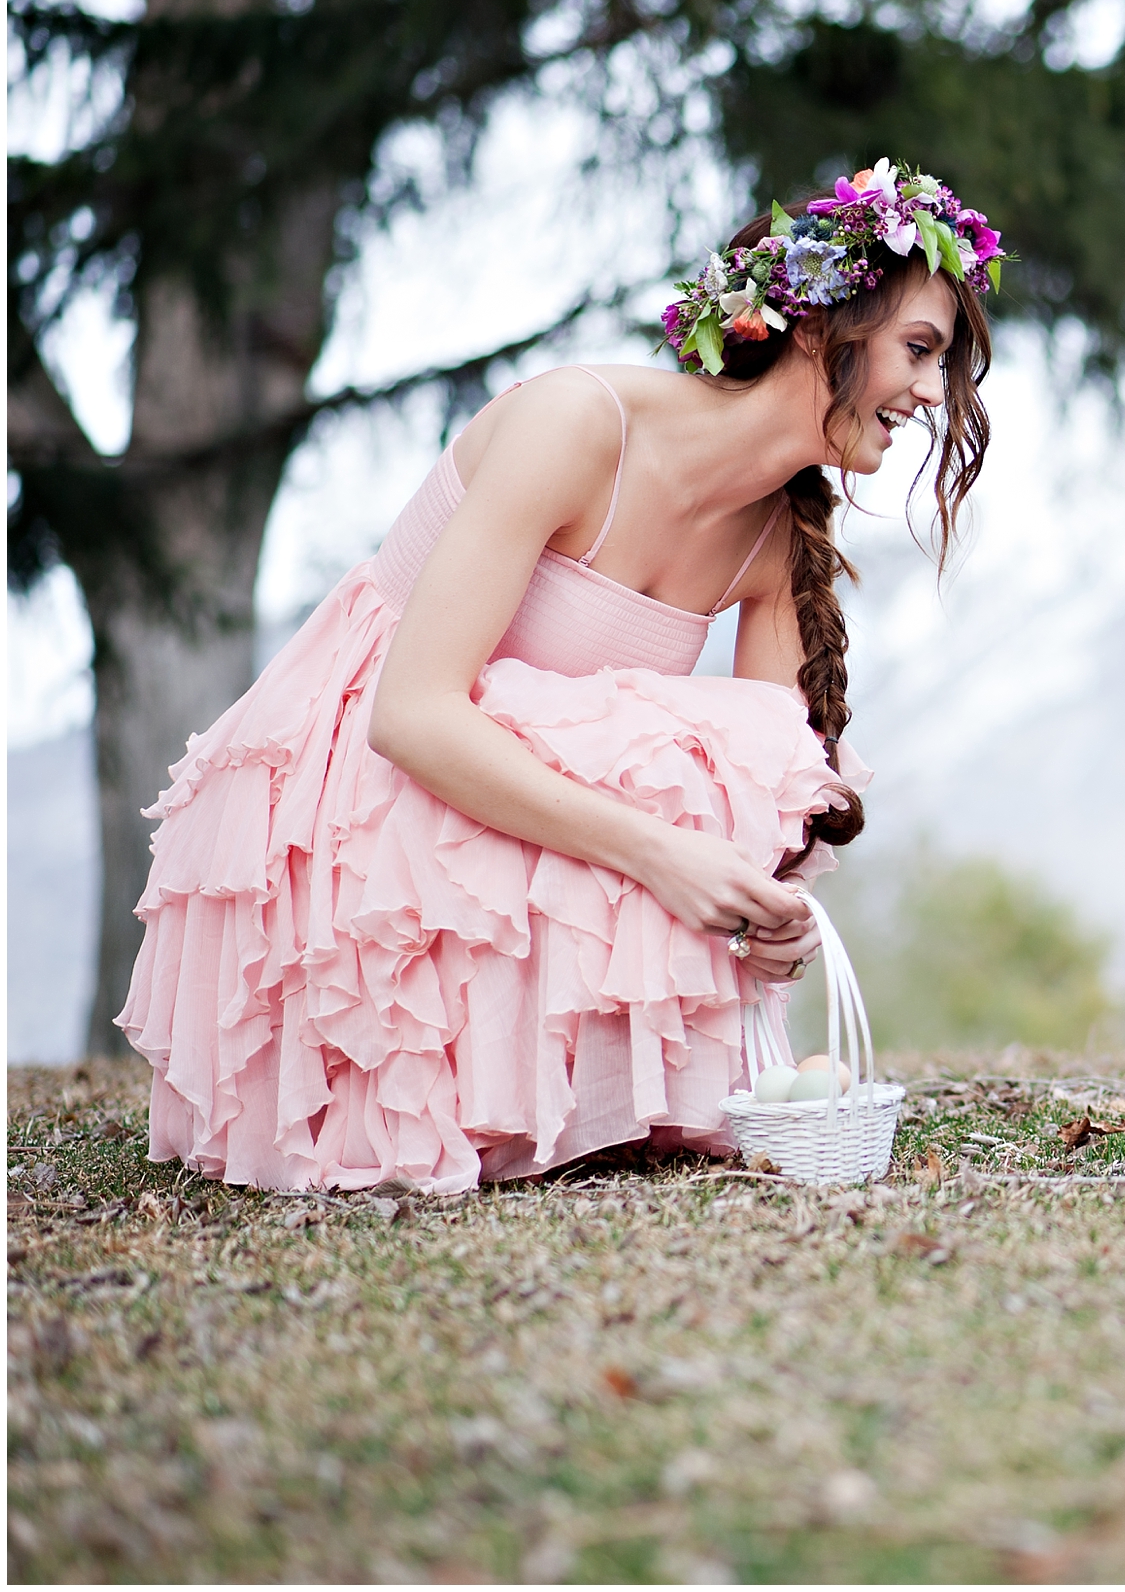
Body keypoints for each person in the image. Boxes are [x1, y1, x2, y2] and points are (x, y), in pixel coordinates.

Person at [115, 161, 1005, 1193]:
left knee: (736, 748)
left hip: (529, 832)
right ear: (817, 328)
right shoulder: (579, 427)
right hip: (359, 808)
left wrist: (768, 912)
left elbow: (765, 793)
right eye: (919, 350)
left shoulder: (776, 539)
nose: (933, 395)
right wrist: (664, 856)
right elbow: (409, 716)